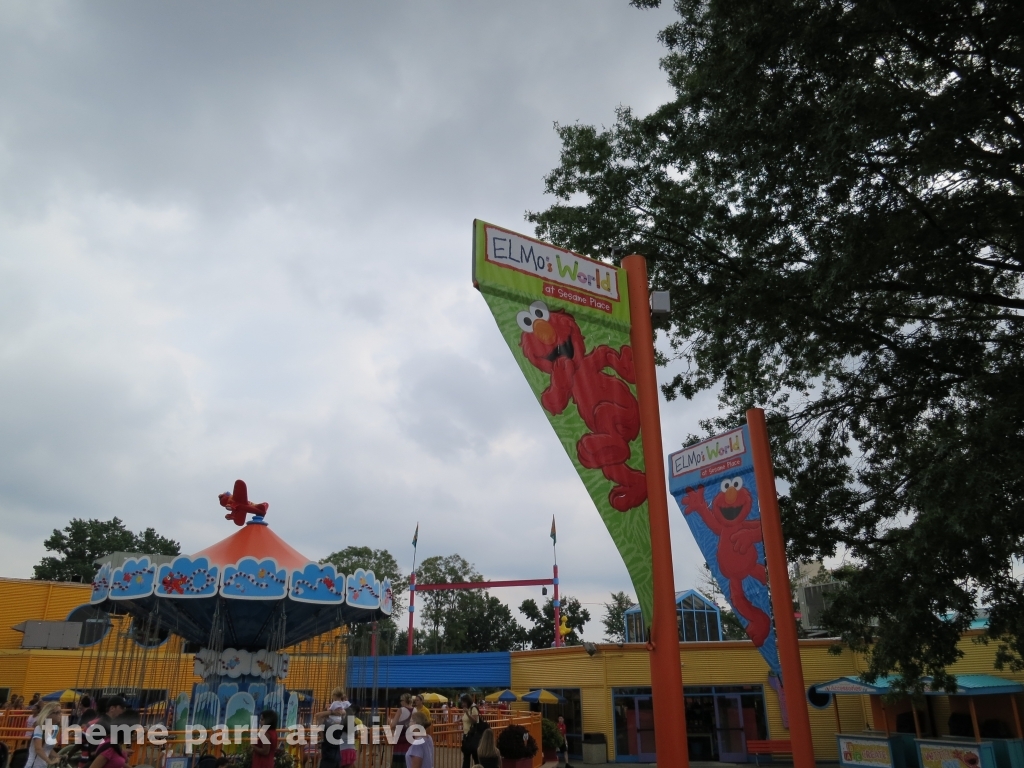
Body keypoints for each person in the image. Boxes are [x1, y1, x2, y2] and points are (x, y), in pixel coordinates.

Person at [25, 702, 61, 768]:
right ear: (49, 714)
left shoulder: (55, 729)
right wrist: (50, 761)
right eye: (57, 712)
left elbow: (47, 749)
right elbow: (38, 749)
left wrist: (58, 757)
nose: (60, 714)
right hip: (33, 765)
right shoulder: (39, 728)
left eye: (60, 712)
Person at [389, 694, 415, 767]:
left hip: (400, 738)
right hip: (411, 739)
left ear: (404, 701)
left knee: (399, 761)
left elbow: (393, 724)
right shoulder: (415, 710)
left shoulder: (401, 710)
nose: (400, 702)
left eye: (401, 700)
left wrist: (389, 722)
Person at [459, 695, 482, 768]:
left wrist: (467, 713)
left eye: (464, 702)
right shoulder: (467, 709)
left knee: (475, 757)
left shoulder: (473, 708)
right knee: (466, 757)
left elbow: (475, 721)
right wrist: (459, 720)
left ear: (467, 701)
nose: (462, 704)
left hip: (473, 736)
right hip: (466, 736)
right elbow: (465, 719)